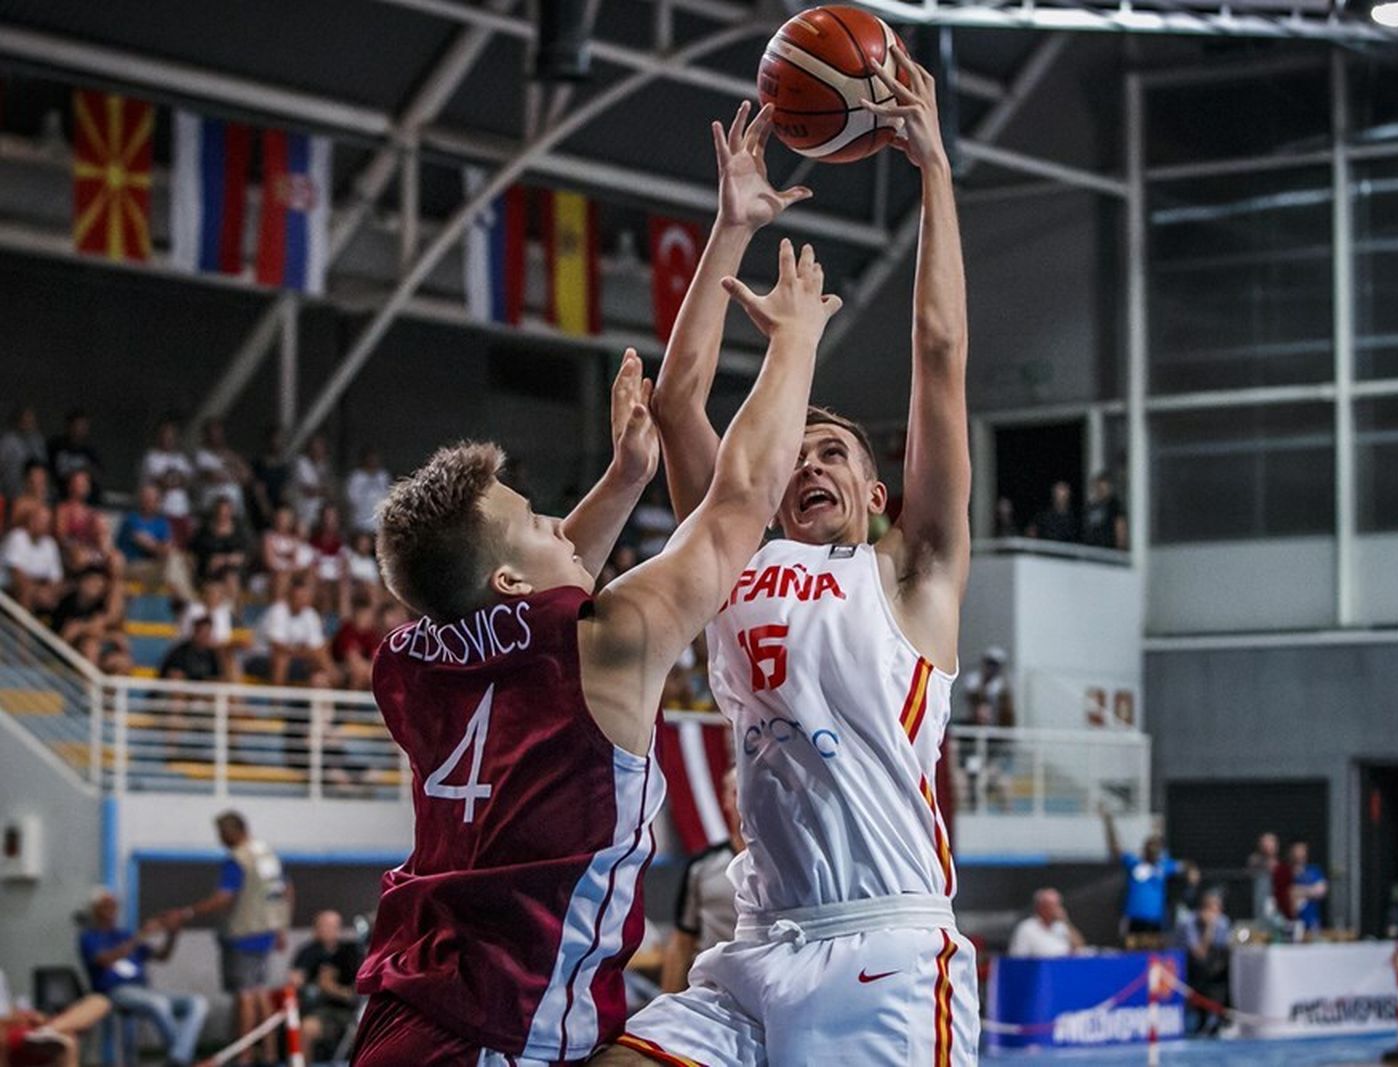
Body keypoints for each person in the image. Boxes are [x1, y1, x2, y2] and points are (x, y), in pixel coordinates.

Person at [350, 240, 837, 1066]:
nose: (559, 527)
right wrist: (795, 338)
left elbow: (526, 586)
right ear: (507, 573)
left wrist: (627, 475)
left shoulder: (412, 662)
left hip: (403, 1020)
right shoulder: (605, 646)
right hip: (501, 1039)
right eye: (540, 521)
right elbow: (741, 502)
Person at [613, 68, 976, 1065]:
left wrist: (934, 168)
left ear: (877, 496)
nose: (808, 461)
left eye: (834, 455)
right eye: (796, 453)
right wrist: (731, 225)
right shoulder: (735, 551)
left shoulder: (916, 576)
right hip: (753, 943)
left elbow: (939, 355)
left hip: (887, 947)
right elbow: (682, 403)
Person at [164, 812, 291, 1067]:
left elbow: (224, 897)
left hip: (243, 934)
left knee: (245, 994)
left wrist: (188, 912)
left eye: (222, 833)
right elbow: (285, 890)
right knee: (260, 992)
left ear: (234, 831)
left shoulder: (237, 860)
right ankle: (268, 1054)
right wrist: (280, 926)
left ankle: (243, 1056)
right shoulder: (266, 854)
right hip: (266, 933)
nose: (220, 839)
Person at [77, 888, 208, 1067]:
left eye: (114, 907)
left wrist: (172, 935)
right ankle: (183, 1061)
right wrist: (141, 935)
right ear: (95, 910)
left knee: (197, 1003)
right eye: (106, 907)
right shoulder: (88, 937)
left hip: (143, 990)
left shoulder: (124, 935)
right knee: (158, 1003)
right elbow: (104, 960)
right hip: (114, 992)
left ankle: (179, 1058)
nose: (112, 912)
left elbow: (162, 956)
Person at [661, 769, 744, 995]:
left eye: (749, 791)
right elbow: (681, 942)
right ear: (726, 800)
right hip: (713, 995)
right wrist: (669, 1005)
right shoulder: (703, 866)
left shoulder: (787, 866)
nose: (744, 801)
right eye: (737, 793)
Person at [290, 910, 363, 1060]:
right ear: (316, 928)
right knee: (307, 1028)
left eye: (333, 926)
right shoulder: (308, 952)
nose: (329, 930)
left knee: (367, 1034)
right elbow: (296, 980)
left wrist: (335, 989)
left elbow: (359, 987)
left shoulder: (350, 951)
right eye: (324, 925)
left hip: (351, 1011)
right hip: (324, 1011)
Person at [1102, 809, 1186, 935]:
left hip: (1155, 919)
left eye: (1157, 849)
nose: (1153, 851)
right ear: (1144, 849)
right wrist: (1109, 823)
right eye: (1150, 848)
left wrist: (1191, 873)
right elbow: (1116, 847)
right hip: (1134, 918)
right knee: (1132, 950)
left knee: (1153, 952)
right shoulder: (1134, 862)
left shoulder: (1164, 865)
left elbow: (1185, 866)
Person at [255, 576, 334, 687]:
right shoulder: (278, 611)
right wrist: (303, 652)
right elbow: (277, 646)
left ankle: (339, 694)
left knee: (322, 662)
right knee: (281, 659)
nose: (302, 599)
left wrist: (316, 657)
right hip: (261, 657)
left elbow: (318, 647)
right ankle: (277, 702)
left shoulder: (310, 614)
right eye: (299, 596)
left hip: (296, 659)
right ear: (290, 596)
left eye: (305, 596)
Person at [1179, 889, 1231, 1036]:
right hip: (1194, 967)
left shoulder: (1223, 922)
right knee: (1202, 971)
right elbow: (1199, 953)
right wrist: (1209, 928)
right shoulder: (1189, 922)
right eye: (1212, 908)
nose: (1215, 914)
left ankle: (1219, 1019)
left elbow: (1224, 949)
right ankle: (1202, 1019)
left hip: (1215, 968)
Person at [140, 419, 195, 543]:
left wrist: (172, 478)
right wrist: (177, 478)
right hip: (162, 511)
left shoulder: (181, 458)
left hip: (182, 511)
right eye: (165, 435)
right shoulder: (151, 456)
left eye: (171, 436)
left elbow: (188, 482)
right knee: (167, 546)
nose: (168, 438)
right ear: (158, 436)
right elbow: (162, 482)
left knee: (184, 547)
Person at [3, 507, 65, 615]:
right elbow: (16, 574)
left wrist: (47, 591)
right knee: (26, 591)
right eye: (39, 521)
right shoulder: (17, 536)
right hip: (7, 587)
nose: (43, 525)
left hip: (37, 589)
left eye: (46, 523)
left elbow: (57, 579)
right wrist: (36, 591)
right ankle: (21, 631)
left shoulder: (50, 544)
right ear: (30, 521)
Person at [1009, 888, 1085, 958]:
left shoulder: (1061, 926)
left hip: (1063, 968)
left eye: (1058, 905)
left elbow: (1079, 947)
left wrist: (1066, 921)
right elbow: (1018, 957)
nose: (1057, 909)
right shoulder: (1026, 928)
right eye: (1052, 905)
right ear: (1041, 908)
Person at [47, 412, 102, 502]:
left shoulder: (90, 451)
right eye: (78, 425)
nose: (81, 429)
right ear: (69, 426)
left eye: (84, 426)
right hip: (59, 495)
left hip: (86, 501)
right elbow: (48, 470)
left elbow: (98, 473)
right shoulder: (56, 445)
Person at [0, 407, 47, 503]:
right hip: (12, 493)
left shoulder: (38, 440)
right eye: (25, 419)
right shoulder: (7, 441)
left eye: (31, 419)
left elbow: (42, 466)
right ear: (18, 421)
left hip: (35, 494)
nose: (28, 422)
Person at [344, 448, 390, 535]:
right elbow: (352, 500)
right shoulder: (356, 477)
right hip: (360, 524)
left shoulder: (383, 476)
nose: (372, 461)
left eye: (375, 458)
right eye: (370, 458)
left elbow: (387, 498)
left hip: (378, 525)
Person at [1285, 841, 1328, 933]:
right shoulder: (1285, 872)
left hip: (1311, 922)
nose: (1299, 855)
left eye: (1302, 851)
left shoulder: (1314, 870)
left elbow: (1321, 892)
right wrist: (1310, 890)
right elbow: (1283, 892)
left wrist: (1297, 891)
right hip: (1290, 923)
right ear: (1291, 853)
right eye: (1296, 851)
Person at [1080, 471, 1128, 551]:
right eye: (1098, 487)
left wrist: (1121, 550)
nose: (1101, 490)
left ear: (1109, 487)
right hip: (1093, 552)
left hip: (1109, 552)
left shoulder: (1115, 506)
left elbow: (1121, 529)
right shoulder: (1091, 507)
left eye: (1104, 487)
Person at [1246, 832, 1281, 921]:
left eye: (1270, 842)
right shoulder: (1255, 860)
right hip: (1259, 901)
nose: (1267, 845)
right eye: (1264, 843)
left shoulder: (1282, 863)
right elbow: (1252, 866)